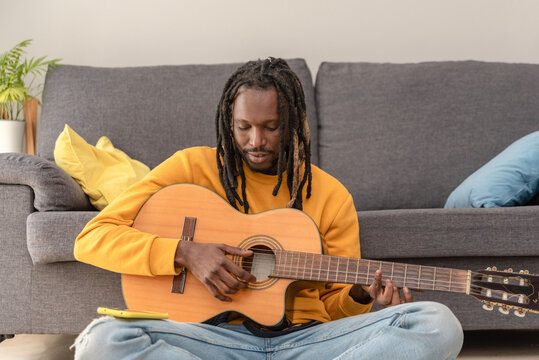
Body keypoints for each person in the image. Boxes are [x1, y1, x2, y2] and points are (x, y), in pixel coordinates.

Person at [72, 57, 463, 359]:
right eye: (244, 127)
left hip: (308, 344)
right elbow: (91, 239)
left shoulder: (329, 195)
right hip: (209, 339)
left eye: (271, 127)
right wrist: (185, 252)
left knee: (438, 323)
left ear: (292, 122)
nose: (256, 140)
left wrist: (362, 298)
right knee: (103, 339)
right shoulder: (189, 168)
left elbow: (333, 310)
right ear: (229, 120)